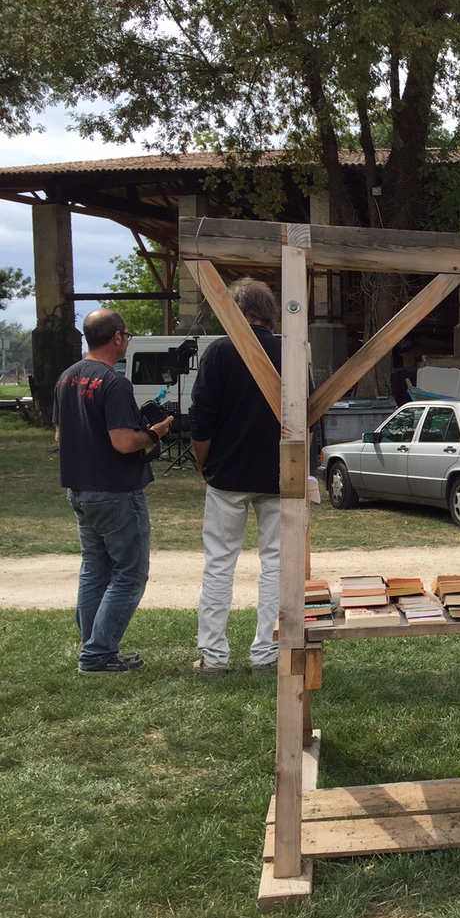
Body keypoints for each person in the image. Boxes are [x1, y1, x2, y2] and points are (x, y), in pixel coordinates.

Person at [52, 309, 174, 674]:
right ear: (117, 337)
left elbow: (60, 435)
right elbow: (123, 442)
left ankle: (94, 646)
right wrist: (155, 432)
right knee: (130, 573)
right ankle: (97, 653)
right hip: (116, 490)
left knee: (95, 568)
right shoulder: (114, 382)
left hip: (79, 488)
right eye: (128, 335)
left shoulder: (67, 377)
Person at [188, 279, 283, 676]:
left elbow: (201, 416)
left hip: (227, 474)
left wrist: (203, 462)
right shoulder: (290, 350)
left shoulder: (221, 351)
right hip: (279, 474)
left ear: (239, 311)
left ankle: (213, 657)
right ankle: (267, 654)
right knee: (276, 565)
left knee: (219, 565)